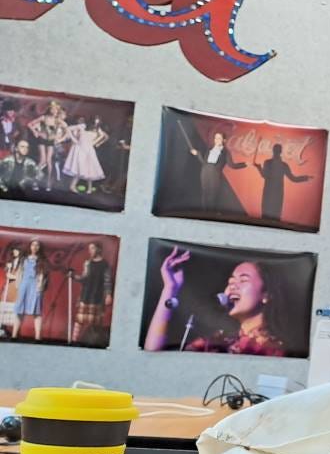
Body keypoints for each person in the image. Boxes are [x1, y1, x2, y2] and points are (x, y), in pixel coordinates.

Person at [143, 246, 287, 356]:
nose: (232, 285)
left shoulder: (273, 348)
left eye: (243, 280)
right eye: (231, 280)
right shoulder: (221, 340)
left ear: (266, 295)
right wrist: (170, 288)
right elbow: (152, 351)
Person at [186, 130, 246, 212]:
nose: (217, 140)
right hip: (205, 172)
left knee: (212, 195)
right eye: (215, 138)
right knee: (205, 193)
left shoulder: (225, 152)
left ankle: (210, 214)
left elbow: (232, 165)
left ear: (224, 140)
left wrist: (245, 164)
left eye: (219, 138)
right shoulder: (210, 149)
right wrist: (197, 153)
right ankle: (203, 213)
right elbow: (204, 162)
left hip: (215, 174)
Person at [254, 143, 311, 222]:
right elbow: (293, 179)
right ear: (280, 152)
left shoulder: (268, 162)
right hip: (277, 193)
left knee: (267, 215)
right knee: (275, 215)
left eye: (276, 150)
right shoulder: (283, 165)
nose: (276, 151)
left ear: (273, 151)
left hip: (269, 192)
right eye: (276, 150)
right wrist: (306, 178)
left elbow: (264, 176)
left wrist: (259, 168)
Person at [70, 242, 113, 345]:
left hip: (97, 297)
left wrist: (108, 294)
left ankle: (94, 343)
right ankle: (73, 341)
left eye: (92, 248)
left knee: (95, 324)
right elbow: (84, 278)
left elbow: (107, 281)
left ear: (98, 249)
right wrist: (74, 276)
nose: (90, 251)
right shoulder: (87, 263)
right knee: (79, 320)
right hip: (86, 295)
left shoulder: (105, 264)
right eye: (89, 248)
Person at [27, 100, 67, 192]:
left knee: (49, 161)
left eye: (56, 110)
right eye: (53, 109)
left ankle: (48, 182)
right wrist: (36, 132)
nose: (55, 111)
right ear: (50, 109)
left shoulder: (57, 120)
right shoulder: (43, 117)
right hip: (42, 140)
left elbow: (66, 129)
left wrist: (60, 138)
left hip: (51, 141)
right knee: (42, 160)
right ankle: (34, 181)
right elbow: (29, 124)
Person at [12, 238, 48, 341]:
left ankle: (37, 338)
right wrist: (18, 285)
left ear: (40, 248)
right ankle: (14, 336)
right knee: (19, 310)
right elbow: (19, 272)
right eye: (33, 245)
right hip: (24, 286)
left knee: (37, 312)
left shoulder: (42, 260)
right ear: (30, 246)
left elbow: (43, 275)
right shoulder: (23, 259)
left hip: (36, 286)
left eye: (37, 245)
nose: (35, 247)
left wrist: (40, 286)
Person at [63, 115, 107, 194]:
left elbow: (103, 136)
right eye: (95, 121)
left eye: (97, 122)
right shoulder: (83, 126)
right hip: (80, 149)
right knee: (79, 168)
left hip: (89, 150)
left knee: (90, 169)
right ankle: (72, 186)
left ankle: (89, 188)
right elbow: (68, 128)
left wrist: (96, 142)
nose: (96, 124)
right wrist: (74, 139)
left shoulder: (98, 129)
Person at [1, 246, 21, 338]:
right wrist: (7, 268)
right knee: (3, 306)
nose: (15, 252)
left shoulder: (23, 263)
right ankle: (2, 327)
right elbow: (6, 271)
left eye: (17, 251)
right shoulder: (11, 262)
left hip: (16, 287)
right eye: (14, 251)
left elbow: (22, 276)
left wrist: (12, 276)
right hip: (9, 287)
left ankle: (12, 331)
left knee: (13, 309)